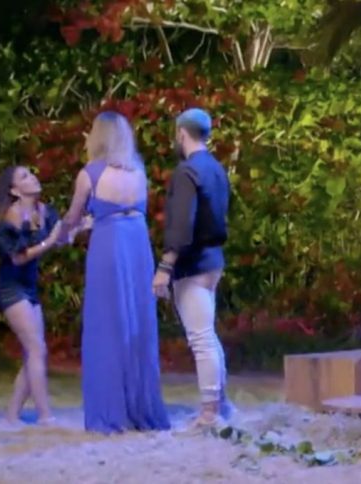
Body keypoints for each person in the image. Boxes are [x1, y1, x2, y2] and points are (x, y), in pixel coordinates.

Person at [62, 111, 170, 434]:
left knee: (107, 323)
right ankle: (142, 407)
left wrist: (65, 231)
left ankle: (110, 411)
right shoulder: (138, 171)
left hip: (109, 245)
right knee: (138, 321)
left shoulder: (90, 173)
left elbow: (72, 217)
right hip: (137, 243)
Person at [151, 108, 234, 431]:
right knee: (208, 335)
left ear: (181, 133)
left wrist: (165, 266)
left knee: (201, 338)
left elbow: (181, 224)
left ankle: (210, 412)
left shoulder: (187, 172)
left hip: (193, 262)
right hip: (213, 259)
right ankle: (220, 404)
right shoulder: (216, 169)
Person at [0, 165, 64, 425]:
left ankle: (12, 415)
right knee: (36, 348)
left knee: (33, 352)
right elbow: (18, 258)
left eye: (31, 173)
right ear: (15, 191)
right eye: (24, 176)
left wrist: (79, 227)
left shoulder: (44, 211)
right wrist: (50, 241)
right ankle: (45, 415)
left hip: (29, 285)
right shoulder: (9, 217)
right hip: (11, 286)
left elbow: (60, 236)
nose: (33, 177)